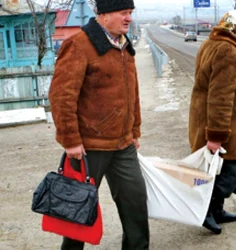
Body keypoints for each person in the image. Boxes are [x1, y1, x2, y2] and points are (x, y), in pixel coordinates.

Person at [48, 0, 149, 249]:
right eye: (123, 13)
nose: (129, 18)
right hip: (89, 146)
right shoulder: (79, 45)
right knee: (79, 210)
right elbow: (61, 96)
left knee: (135, 202)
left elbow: (131, 93)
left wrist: (134, 130)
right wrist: (70, 140)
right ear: (104, 15)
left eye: (130, 13)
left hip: (123, 144)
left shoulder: (123, 44)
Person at [189, 10, 236, 235]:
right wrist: (216, 135)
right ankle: (205, 206)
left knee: (219, 169)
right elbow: (221, 95)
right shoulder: (228, 51)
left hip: (205, 117)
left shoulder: (211, 43)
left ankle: (216, 209)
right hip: (225, 122)